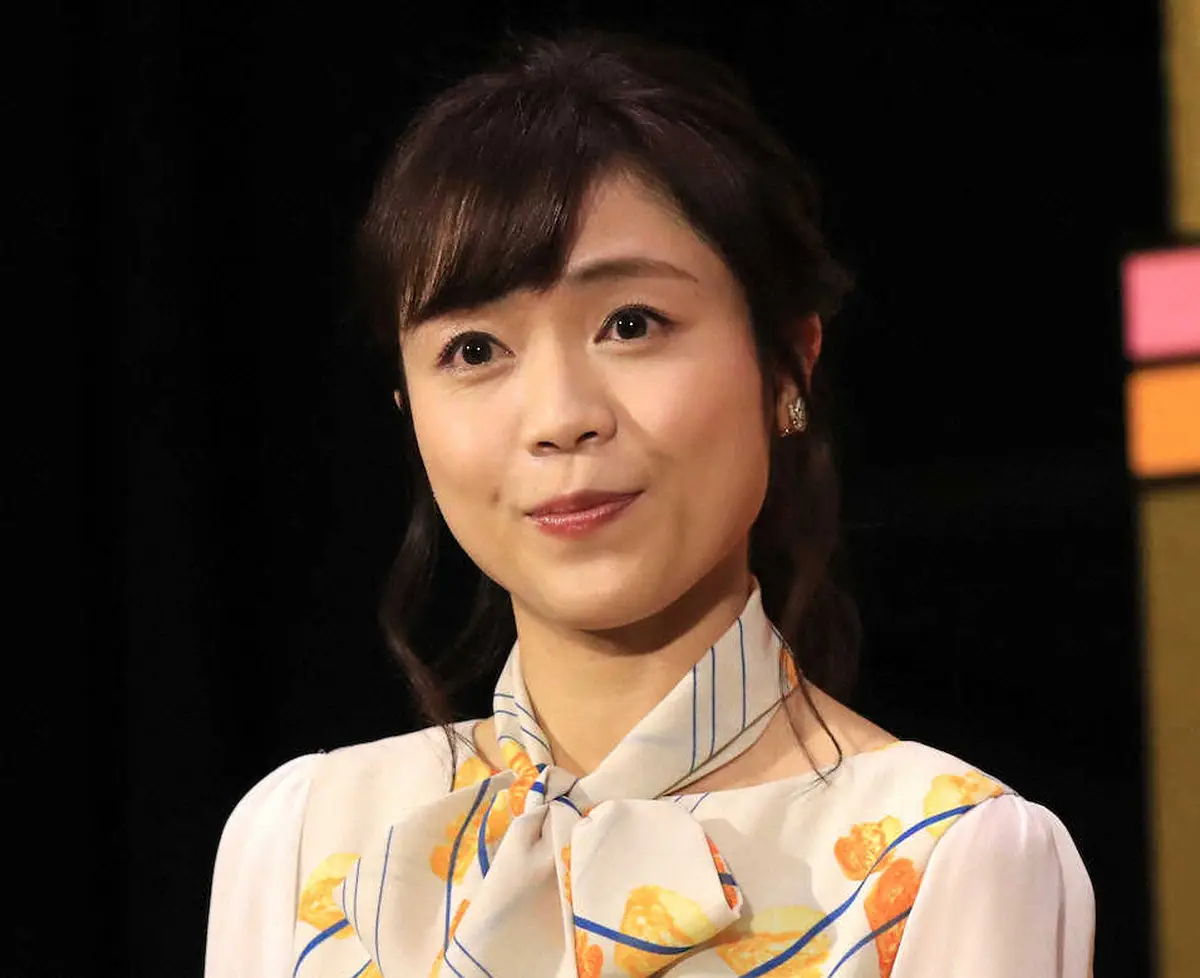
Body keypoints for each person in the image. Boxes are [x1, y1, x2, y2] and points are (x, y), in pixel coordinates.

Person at [204, 29, 1094, 978]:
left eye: (631, 324)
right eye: (474, 350)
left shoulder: (943, 859)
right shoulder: (303, 841)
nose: (561, 418)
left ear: (788, 364)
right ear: (407, 410)